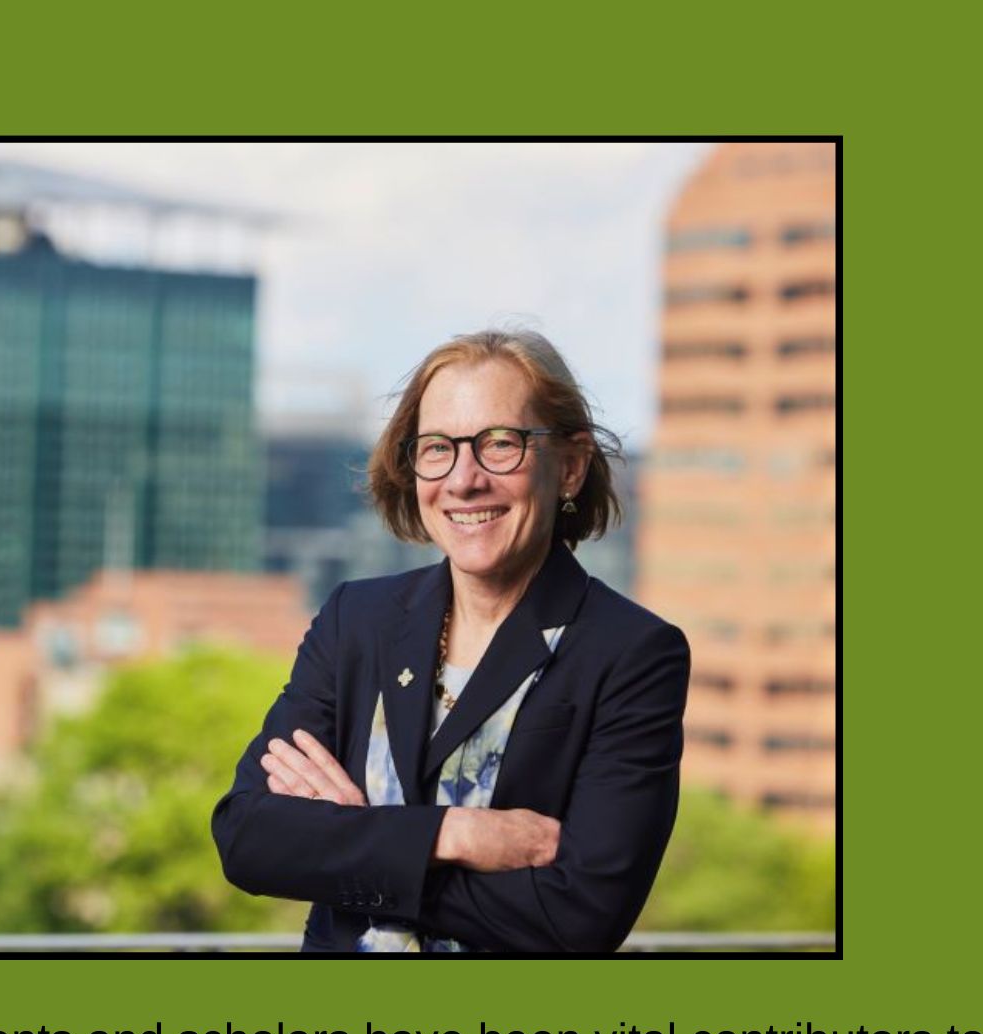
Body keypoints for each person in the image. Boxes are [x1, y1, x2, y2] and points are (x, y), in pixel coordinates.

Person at [212, 329, 689, 953]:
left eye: (499, 444)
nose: (463, 481)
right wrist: (453, 835)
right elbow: (248, 837)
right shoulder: (357, 621)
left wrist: (357, 844)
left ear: (569, 467)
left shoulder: (630, 654)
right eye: (437, 448)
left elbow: (578, 918)